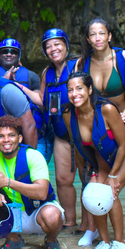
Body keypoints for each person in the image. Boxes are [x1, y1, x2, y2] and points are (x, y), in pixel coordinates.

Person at [76, 18, 125, 247]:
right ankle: (95, 230)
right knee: (99, 174)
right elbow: (79, 93)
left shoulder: (123, 58)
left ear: (109, 36)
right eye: (92, 34)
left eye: (101, 33)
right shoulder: (83, 63)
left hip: (122, 119)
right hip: (98, 127)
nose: (97, 38)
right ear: (88, 39)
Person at [63, 71, 125, 249]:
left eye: (79, 88)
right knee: (93, 193)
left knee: (109, 190)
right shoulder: (69, 114)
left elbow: (123, 143)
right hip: (102, 157)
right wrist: (88, 171)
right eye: (70, 90)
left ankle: (120, 242)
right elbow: (78, 144)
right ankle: (105, 242)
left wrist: (114, 175)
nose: (74, 94)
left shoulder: (107, 109)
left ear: (90, 89)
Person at [0, 116, 63, 249]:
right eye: (1, 136)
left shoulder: (33, 156)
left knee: (52, 215)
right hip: (8, 214)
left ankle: (51, 240)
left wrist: (8, 183)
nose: (6, 140)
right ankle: (13, 239)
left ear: (20, 138)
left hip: (35, 212)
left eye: (11, 135)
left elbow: (42, 192)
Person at [38, 28, 80, 231]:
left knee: (90, 177)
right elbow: (41, 99)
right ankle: (70, 221)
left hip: (82, 130)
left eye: (57, 44)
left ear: (66, 45)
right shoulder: (47, 73)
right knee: (63, 180)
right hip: (60, 133)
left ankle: (89, 226)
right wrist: (16, 87)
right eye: (48, 46)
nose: (53, 48)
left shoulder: (78, 64)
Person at [0, 38, 50, 162]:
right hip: (4, 134)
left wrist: (14, 85)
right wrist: (2, 81)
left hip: (31, 129)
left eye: (13, 52)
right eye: (5, 51)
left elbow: (39, 102)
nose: (9, 54)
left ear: (19, 55)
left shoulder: (31, 76)